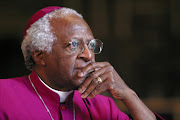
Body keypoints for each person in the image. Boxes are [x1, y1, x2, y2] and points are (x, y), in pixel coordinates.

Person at [0, 6, 164, 120]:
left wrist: (129, 95)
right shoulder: (4, 95)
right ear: (39, 56)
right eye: (74, 45)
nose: (88, 55)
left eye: (91, 45)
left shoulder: (101, 105)